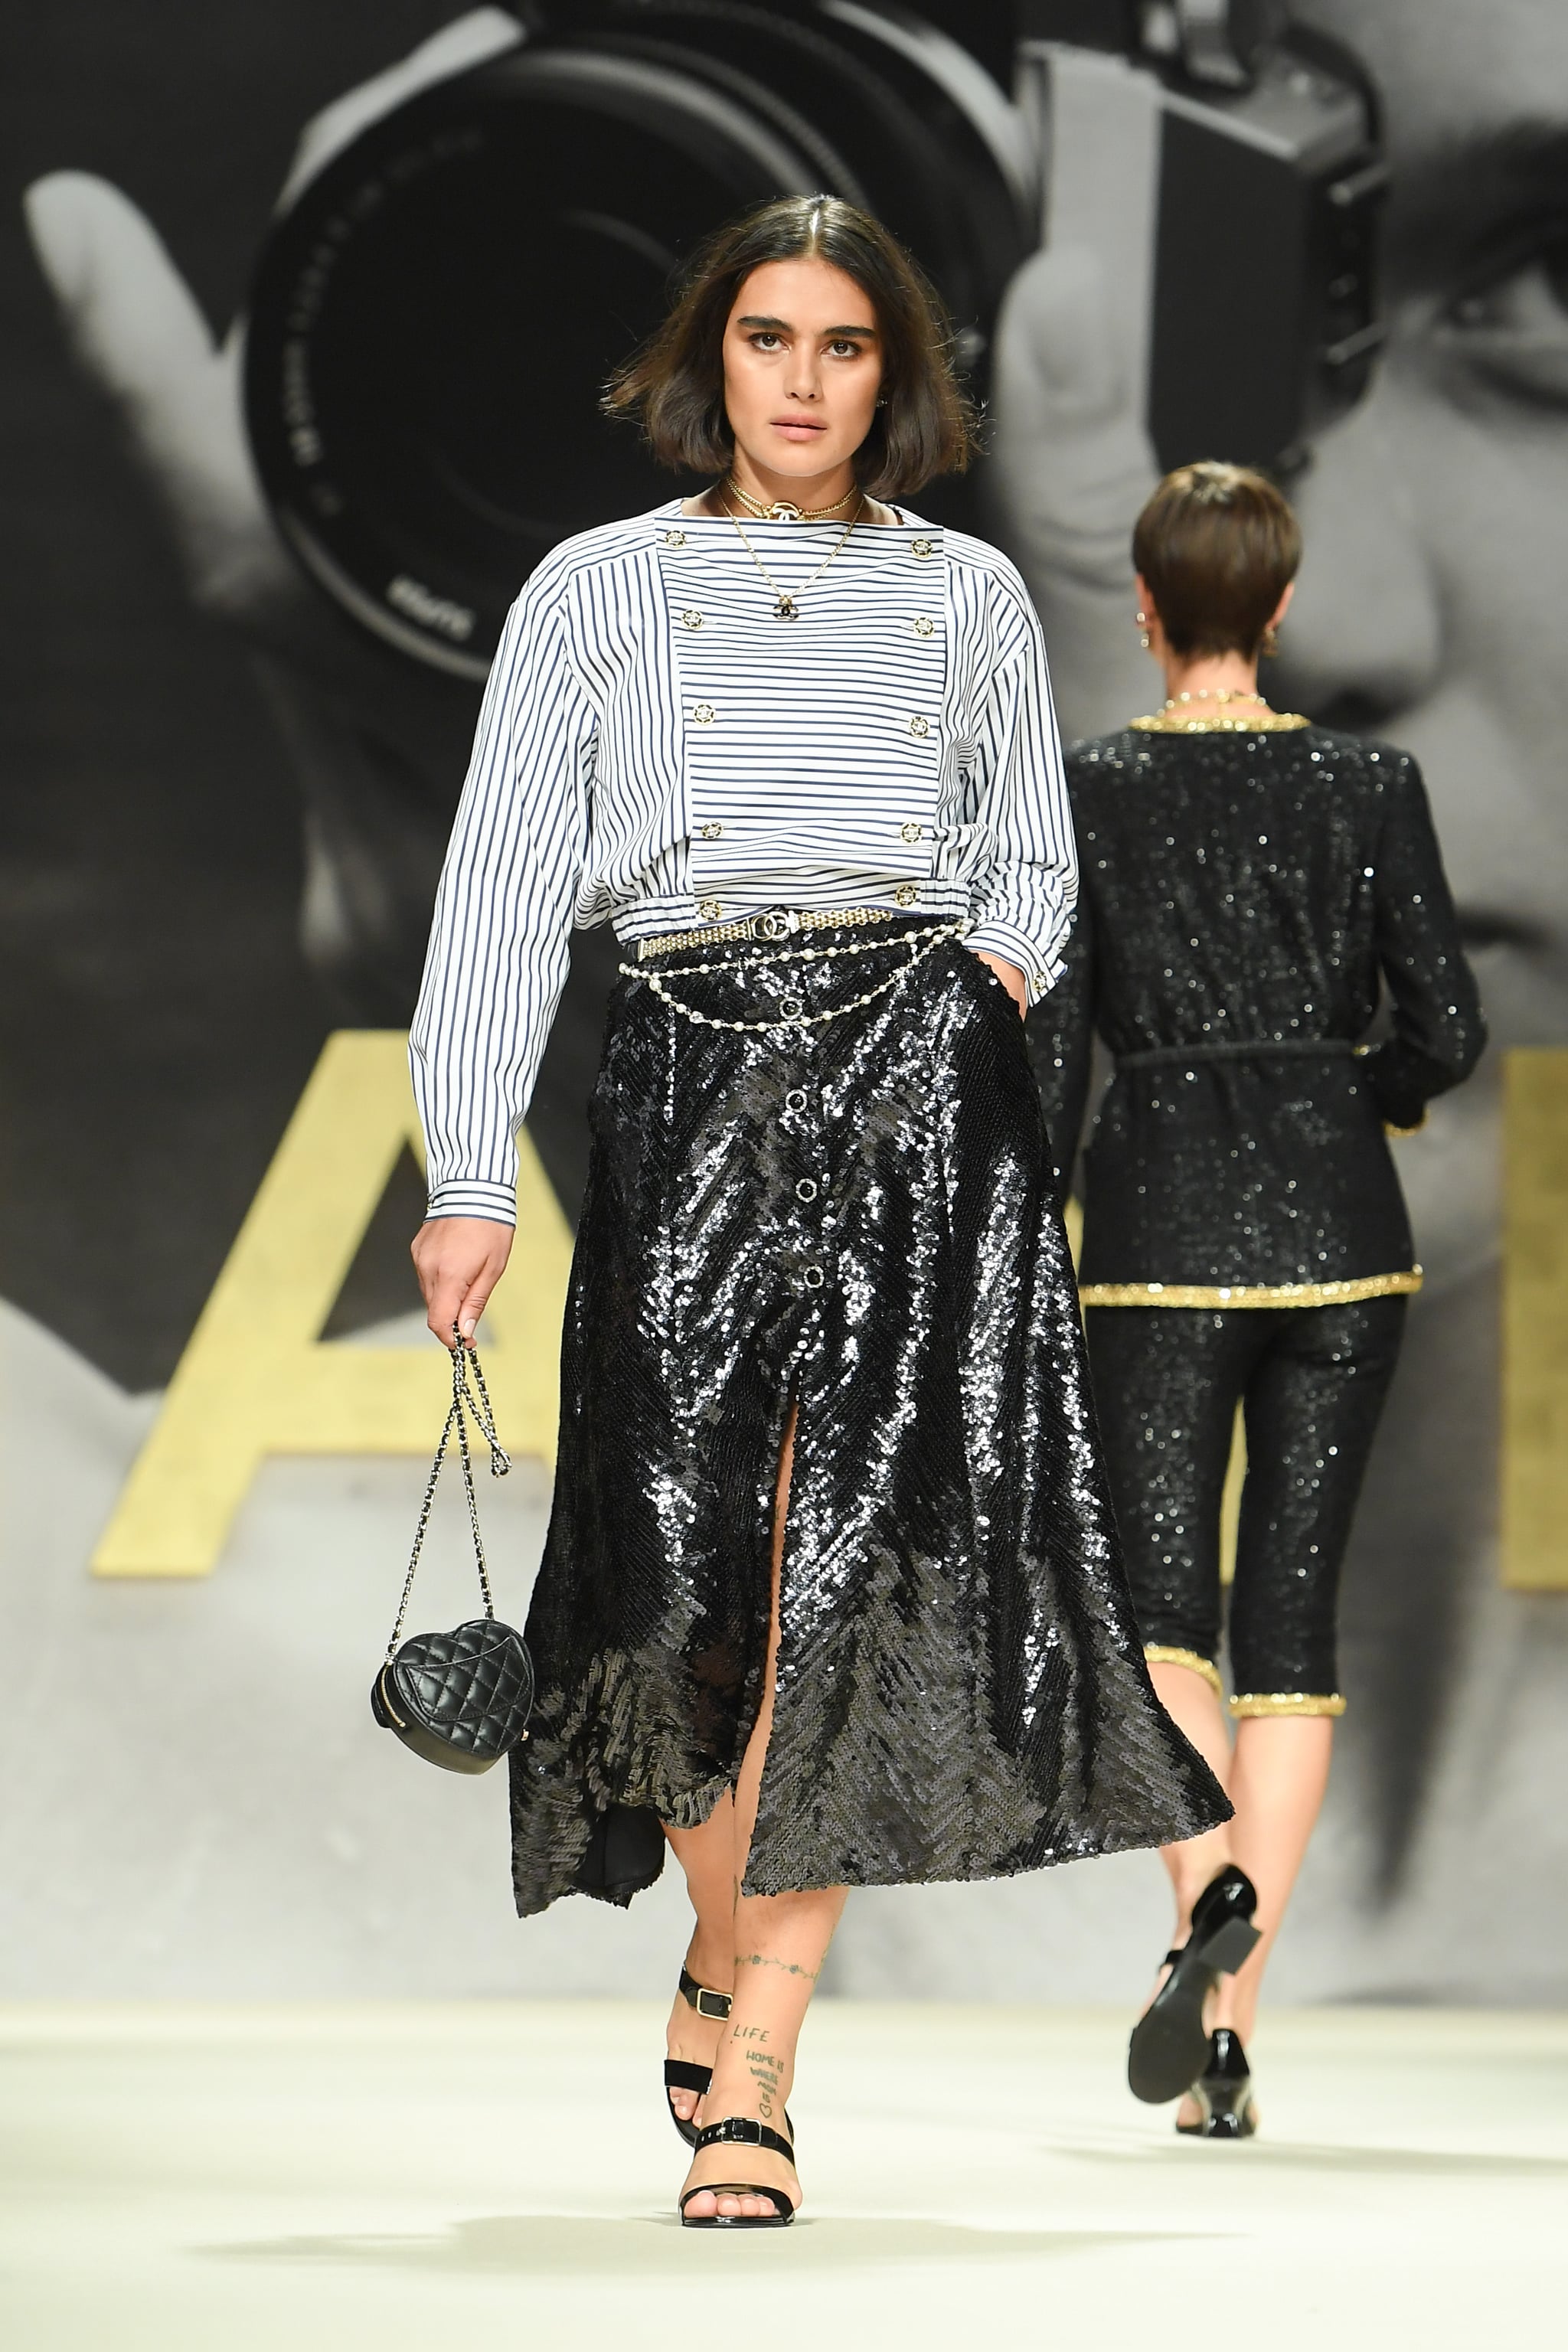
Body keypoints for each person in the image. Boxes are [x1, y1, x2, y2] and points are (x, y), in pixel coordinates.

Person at [407, 194, 1227, 2225]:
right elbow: (505, 881)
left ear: (895, 375)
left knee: (848, 1582)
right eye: (767, 337)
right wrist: (459, 1166)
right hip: (684, 1071)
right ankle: (715, 1944)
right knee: (679, 1584)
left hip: (914, 1090)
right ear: (715, 356)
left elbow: (1030, 862)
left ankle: (764, 2059)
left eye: (841, 344)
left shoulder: (964, 599)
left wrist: (981, 995)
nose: (799, 378)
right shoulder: (595, 590)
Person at [1031, 462, 1485, 2135]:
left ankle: (1202, 1902)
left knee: (1159, 1621)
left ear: (1147, 610)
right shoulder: (1369, 784)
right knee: (1289, 1621)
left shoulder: (1091, 792)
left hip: (1156, 1235)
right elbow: (1441, 1028)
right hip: (1343, 1240)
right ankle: (1227, 2027)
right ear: (1279, 609)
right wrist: (1340, 1081)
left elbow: (1048, 1040)